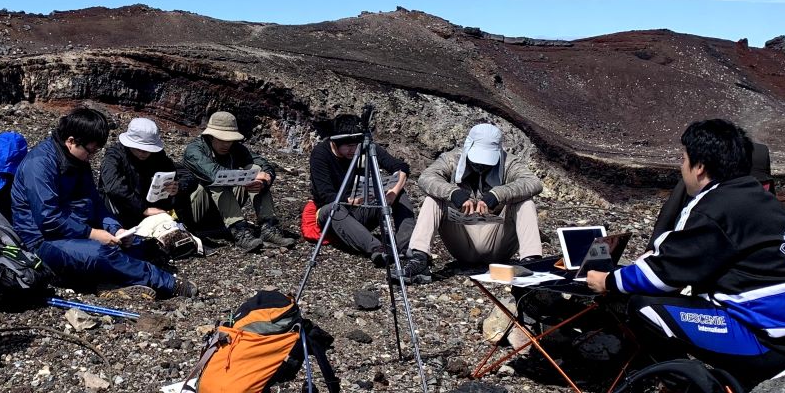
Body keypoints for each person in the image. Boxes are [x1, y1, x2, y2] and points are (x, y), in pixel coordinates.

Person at [586, 119, 785, 387]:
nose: (681, 167)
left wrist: (607, 281)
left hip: (774, 342)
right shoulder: (757, 196)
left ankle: (683, 387)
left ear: (700, 167)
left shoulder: (713, 207)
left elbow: (664, 274)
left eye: (683, 159)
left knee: (644, 307)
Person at [12, 106, 197, 300]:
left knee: (139, 246)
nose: (92, 157)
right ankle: (168, 284)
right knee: (102, 253)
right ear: (71, 141)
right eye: (90, 152)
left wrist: (116, 229)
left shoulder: (77, 159)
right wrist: (92, 234)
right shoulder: (40, 164)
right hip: (42, 242)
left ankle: (110, 282)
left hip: (76, 229)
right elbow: (48, 219)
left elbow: (96, 203)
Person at [410, 122, 544, 280]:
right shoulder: (452, 159)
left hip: (498, 240)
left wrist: (497, 195)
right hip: (462, 238)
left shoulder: (509, 163)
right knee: (433, 199)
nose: (481, 165)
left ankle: (531, 261)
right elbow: (426, 178)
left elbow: (532, 182)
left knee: (525, 202)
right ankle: (418, 258)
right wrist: (453, 193)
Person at [308, 113, 415, 269]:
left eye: (355, 146)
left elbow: (401, 167)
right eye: (348, 146)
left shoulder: (363, 145)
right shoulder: (320, 154)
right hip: (336, 214)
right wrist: (352, 200)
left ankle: (404, 245)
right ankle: (378, 249)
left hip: (362, 208)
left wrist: (393, 192)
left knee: (399, 193)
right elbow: (326, 195)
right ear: (335, 142)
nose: (353, 150)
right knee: (333, 208)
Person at [181, 111, 296, 251]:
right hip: (194, 212)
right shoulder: (194, 151)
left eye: (229, 140)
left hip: (219, 213)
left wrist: (265, 180)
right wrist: (248, 176)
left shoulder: (235, 149)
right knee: (220, 182)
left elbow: (262, 163)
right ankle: (239, 231)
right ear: (210, 137)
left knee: (255, 170)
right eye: (222, 139)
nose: (226, 144)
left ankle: (269, 226)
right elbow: (214, 174)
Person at [97, 117, 183, 229]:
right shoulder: (114, 156)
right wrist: (143, 209)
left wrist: (177, 187)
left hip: (150, 205)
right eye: (139, 149)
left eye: (148, 150)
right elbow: (114, 187)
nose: (144, 153)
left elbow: (181, 173)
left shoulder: (158, 156)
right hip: (121, 209)